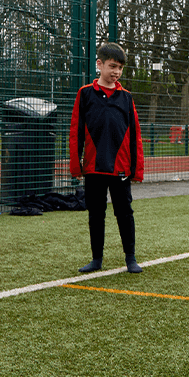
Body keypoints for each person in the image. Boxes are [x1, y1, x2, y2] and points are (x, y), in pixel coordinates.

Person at [69, 42, 145, 274]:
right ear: (99, 64)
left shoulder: (126, 97)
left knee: (125, 212)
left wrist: (137, 169)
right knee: (96, 214)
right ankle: (96, 259)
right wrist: (76, 166)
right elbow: (75, 133)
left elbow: (136, 136)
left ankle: (130, 258)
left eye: (120, 68)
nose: (116, 72)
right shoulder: (84, 94)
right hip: (93, 167)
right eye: (112, 66)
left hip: (121, 167)